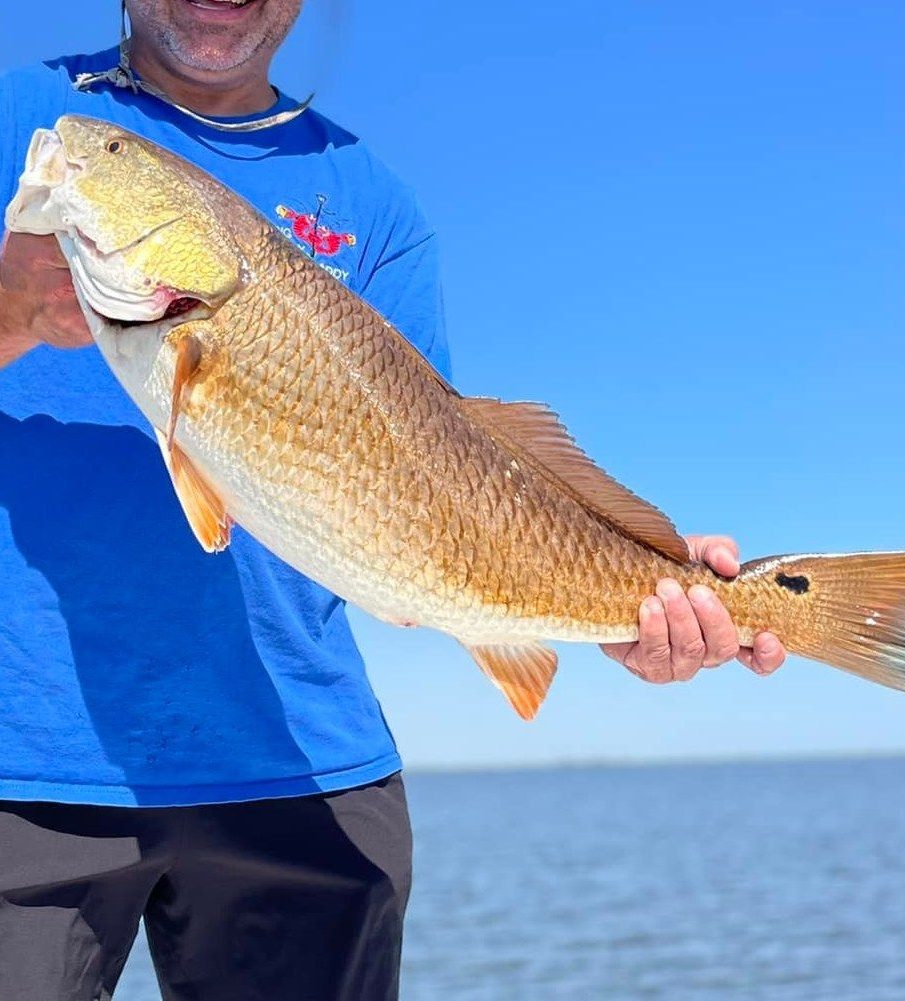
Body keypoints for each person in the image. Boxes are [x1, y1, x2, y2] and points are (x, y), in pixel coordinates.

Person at [0, 2, 786, 998]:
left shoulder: (377, 201)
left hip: (305, 773)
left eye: (122, 158)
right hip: (24, 764)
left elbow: (450, 483)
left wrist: (622, 596)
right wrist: (13, 303)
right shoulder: (28, 117)